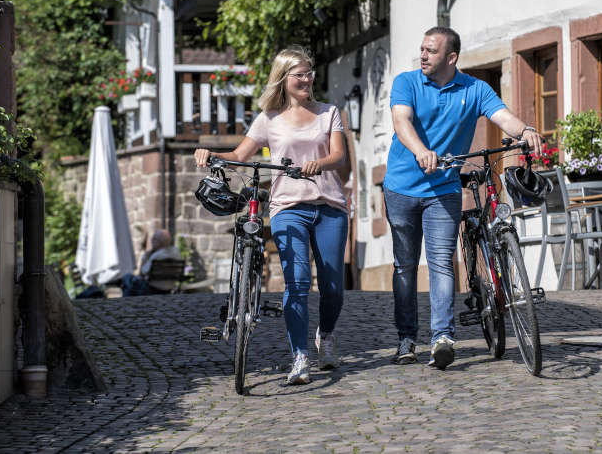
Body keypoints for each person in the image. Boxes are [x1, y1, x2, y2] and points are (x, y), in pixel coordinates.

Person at [384, 26, 543, 370]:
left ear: (451, 57)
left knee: (441, 263)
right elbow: (402, 122)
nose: (423, 55)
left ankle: (442, 337)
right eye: (422, 49)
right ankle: (406, 338)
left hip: (443, 189)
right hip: (401, 188)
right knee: (406, 267)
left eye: (431, 50)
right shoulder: (407, 82)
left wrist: (525, 131)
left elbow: (502, 117)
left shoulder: (475, 89)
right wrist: (421, 151)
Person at [194, 46, 348, 385]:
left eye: (309, 73)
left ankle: (326, 333)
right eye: (300, 74)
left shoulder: (329, 112)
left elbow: (338, 155)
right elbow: (239, 154)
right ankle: (300, 357)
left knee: (333, 286)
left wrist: (318, 164)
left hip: (329, 205)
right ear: (284, 78)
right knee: (296, 281)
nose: (307, 79)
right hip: (287, 207)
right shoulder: (269, 119)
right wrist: (209, 153)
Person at [121, 229, 183, 296]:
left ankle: (125, 302)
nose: (152, 242)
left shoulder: (157, 255)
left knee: (127, 278)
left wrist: (146, 257)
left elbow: (143, 271)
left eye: (154, 239)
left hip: (151, 290)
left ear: (159, 242)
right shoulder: (176, 252)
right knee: (129, 286)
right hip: (168, 289)